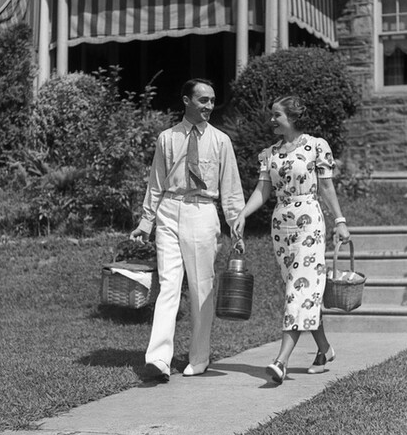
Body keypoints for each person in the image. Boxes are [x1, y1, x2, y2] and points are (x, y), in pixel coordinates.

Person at [131, 79, 245, 382]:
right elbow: (156, 181)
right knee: (169, 285)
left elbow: (231, 188)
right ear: (186, 101)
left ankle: (199, 357)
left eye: (212, 100)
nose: (208, 106)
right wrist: (146, 221)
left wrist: (236, 227)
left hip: (202, 212)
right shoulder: (167, 139)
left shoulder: (221, 141)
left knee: (201, 287)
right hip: (170, 209)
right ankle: (158, 358)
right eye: (202, 100)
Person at [233, 94, 351, 384]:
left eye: (277, 115)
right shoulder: (269, 153)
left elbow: (326, 187)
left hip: (309, 221)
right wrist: (243, 215)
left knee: (297, 292)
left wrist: (340, 221)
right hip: (281, 225)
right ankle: (324, 349)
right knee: (302, 291)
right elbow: (263, 191)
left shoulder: (315, 146)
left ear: (292, 118)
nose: (271, 120)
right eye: (272, 115)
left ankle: (280, 362)